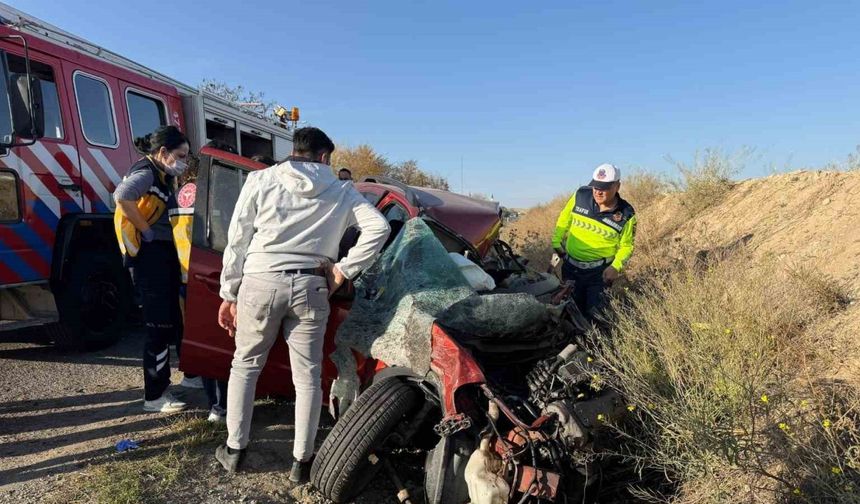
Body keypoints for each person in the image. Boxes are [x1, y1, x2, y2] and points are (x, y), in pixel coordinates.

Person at [213, 127, 390, 482]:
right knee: (307, 376)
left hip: (260, 281)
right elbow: (380, 229)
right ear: (324, 157)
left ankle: (235, 450)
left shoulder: (261, 180)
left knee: (245, 365)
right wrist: (342, 270)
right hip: (311, 284)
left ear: (295, 150)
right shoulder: (342, 191)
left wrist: (228, 293)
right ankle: (301, 462)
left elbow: (237, 240)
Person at [114, 126, 191, 413]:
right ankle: (155, 395)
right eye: (180, 156)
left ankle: (187, 377)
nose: (183, 161)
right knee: (158, 326)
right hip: (149, 257)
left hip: (161, 254)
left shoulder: (161, 175)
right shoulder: (146, 172)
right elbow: (122, 196)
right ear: (162, 152)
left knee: (172, 318)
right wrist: (145, 230)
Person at [551, 163, 636, 320]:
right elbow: (564, 218)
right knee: (569, 313)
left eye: (604, 187)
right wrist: (556, 241)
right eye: (595, 186)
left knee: (595, 316)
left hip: (599, 275)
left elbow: (627, 246)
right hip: (571, 270)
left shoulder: (626, 214)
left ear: (617, 186)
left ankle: (592, 344)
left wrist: (615, 267)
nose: (598, 191)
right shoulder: (580, 196)